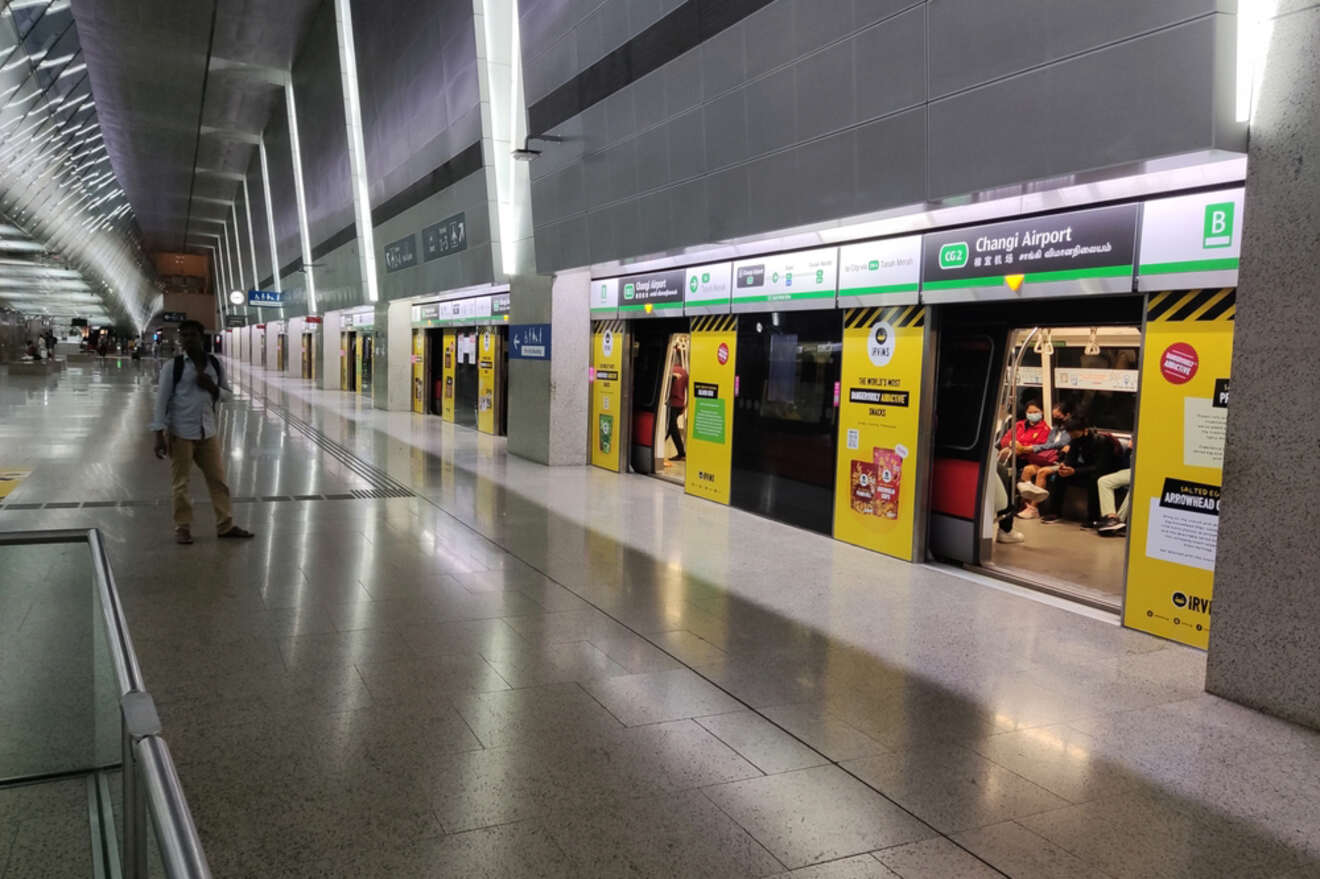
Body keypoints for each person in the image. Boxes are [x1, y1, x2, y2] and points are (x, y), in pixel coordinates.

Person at [149, 320, 254, 545]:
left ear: (201, 337)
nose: (187, 339)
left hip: (208, 432)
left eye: (192, 335)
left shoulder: (214, 365)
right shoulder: (173, 367)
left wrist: (212, 388)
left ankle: (225, 525)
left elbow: (228, 394)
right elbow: (161, 401)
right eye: (183, 335)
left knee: (219, 481)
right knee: (181, 483)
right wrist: (158, 434)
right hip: (180, 433)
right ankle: (183, 527)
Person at [1041, 415, 1124, 526]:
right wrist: (1065, 466)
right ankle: (1055, 512)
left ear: (1084, 430)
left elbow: (1100, 467)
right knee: (1060, 476)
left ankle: (1093, 518)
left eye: (1075, 434)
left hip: (1103, 470)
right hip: (1087, 468)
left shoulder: (1101, 442)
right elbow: (1071, 459)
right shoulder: (1075, 440)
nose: (1073, 437)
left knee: (1094, 480)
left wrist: (1075, 471)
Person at [998, 400, 1052, 517]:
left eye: (1035, 411)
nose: (1032, 414)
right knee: (1001, 468)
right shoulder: (1019, 425)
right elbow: (1005, 440)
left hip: (1030, 459)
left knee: (1020, 471)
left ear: (1041, 412)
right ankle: (1003, 503)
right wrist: (1013, 445)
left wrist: (1021, 448)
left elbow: (1037, 447)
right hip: (1012, 456)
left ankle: (1022, 506)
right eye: (1029, 412)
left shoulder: (1045, 430)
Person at [666, 360, 688, 462]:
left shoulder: (669, 371)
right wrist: (686, 405)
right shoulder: (684, 372)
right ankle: (681, 453)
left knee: (672, 428)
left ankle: (681, 453)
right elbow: (688, 389)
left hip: (672, 404)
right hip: (680, 404)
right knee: (671, 427)